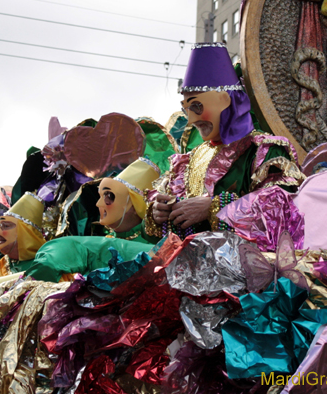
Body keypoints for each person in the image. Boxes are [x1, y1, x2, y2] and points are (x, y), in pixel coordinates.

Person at [146, 42, 305, 238]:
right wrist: (160, 212)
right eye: (186, 108)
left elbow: (282, 213)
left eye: (197, 106)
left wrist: (216, 208)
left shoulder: (265, 152)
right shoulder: (189, 160)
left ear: (225, 101)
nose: (191, 120)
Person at [24, 157, 162, 282]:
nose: (99, 204)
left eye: (109, 196)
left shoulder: (161, 246)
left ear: (135, 204)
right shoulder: (99, 240)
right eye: (100, 196)